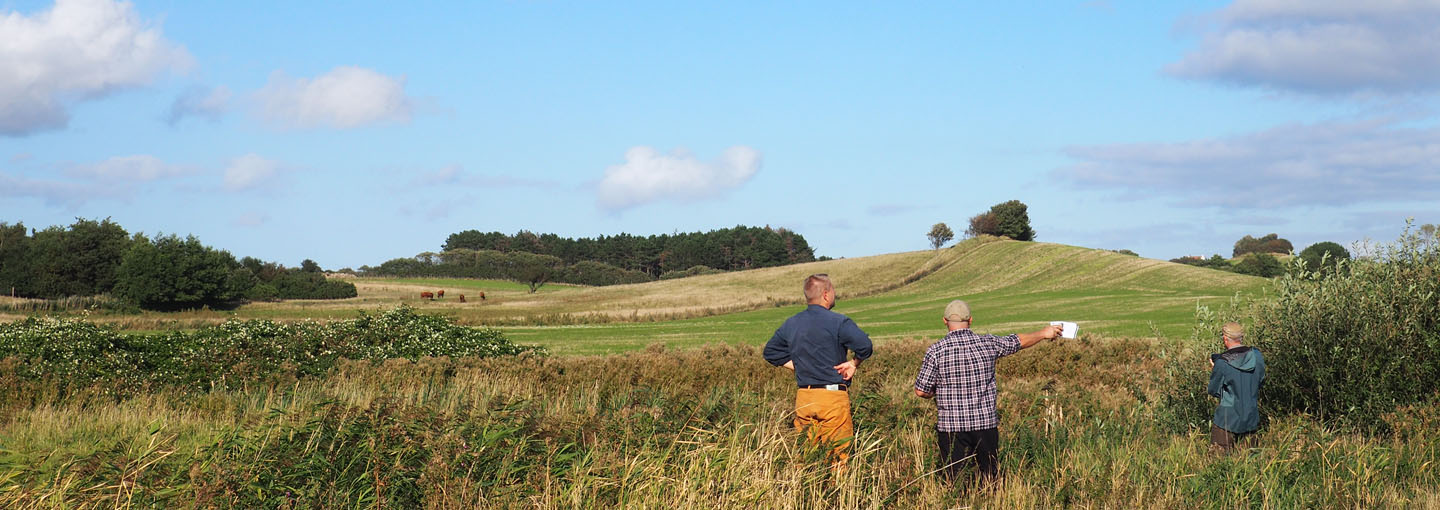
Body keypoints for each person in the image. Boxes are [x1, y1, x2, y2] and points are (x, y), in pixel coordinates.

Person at [912, 300, 1063, 483]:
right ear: (971, 320)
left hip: (951, 428)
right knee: (989, 479)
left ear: (945, 321)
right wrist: (1044, 333)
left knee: (957, 483)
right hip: (985, 424)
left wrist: (939, 392)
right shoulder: (988, 343)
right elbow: (1018, 341)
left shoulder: (935, 351)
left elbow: (921, 391)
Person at [763, 274, 873, 467]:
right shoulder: (839, 322)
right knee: (838, 457)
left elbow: (771, 352)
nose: (834, 293)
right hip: (832, 398)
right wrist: (854, 364)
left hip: (804, 397)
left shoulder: (792, 323)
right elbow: (865, 346)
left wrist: (798, 365)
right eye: (833, 290)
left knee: (807, 458)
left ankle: (807, 493)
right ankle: (837, 494)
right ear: (825, 294)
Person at [1208, 322, 1265, 451]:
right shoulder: (1257, 356)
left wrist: (1215, 369)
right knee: (1251, 461)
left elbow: (1213, 390)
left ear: (1225, 338)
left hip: (1226, 419)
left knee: (1219, 463)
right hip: (1251, 416)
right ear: (1241, 337)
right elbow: (1261, 380)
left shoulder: (1222, 363)